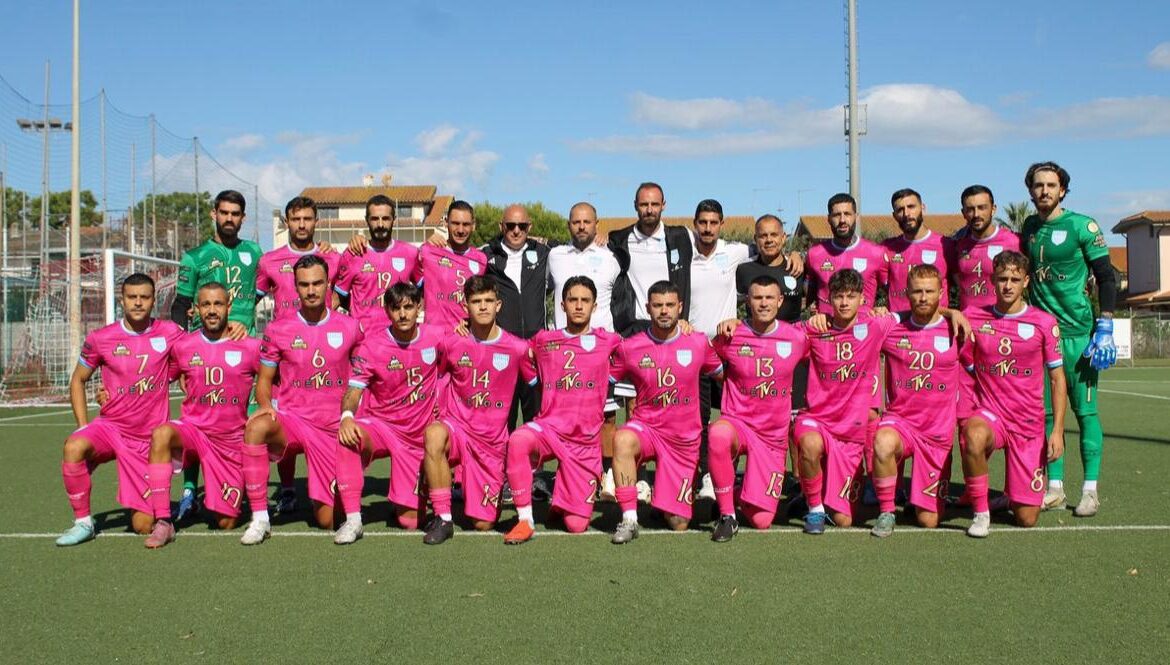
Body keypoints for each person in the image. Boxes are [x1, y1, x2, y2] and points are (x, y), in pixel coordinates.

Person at [238, 255, 363, 545]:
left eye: (317, 283)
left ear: (328, 284)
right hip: (293, 421)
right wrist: (265, 406)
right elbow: (264, 381)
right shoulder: (278, 329)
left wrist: (353, 415)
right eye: (304, 284)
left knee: (327, 520)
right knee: (256, 426)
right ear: (295, 286)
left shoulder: (350, 326)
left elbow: (361, 378)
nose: (311, 290)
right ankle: (260, 519)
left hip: (332, 426)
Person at [55, 273, 184, 546]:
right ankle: (83, 523)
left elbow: (197, 351)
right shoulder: (101, 338)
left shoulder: (170, 332)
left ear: (153, 300)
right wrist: (83, 426)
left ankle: (166, 506)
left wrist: (234, 327)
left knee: (142, 526)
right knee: (74, 446)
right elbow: (78, 380)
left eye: (144, 297)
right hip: (111, 428)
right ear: (122, 300)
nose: (138, 302)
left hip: (148, 440)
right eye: (131, 297)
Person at [1019, 162, 1117, 517]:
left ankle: (1090, 490)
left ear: (1062, 190)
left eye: (1051, 185)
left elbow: (1107, 277)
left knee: (1085, 412)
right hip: (1042, 338)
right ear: (1030, 191)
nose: (1044, 191)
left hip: (1078, 336)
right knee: (1047, 415)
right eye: (1038, 185)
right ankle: (1055, 488)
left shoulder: (1082, 226)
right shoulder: (1029, 228)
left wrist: (1105, 324)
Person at [142, 282, 261, 548]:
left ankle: (217, 495)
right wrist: (108, 392)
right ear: (196, 309)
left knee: (226, 522)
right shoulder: (184, 346)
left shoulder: (250, 346)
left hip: (229, 441)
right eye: (206, 304)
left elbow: (275, 377)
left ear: (229, 306)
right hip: (193, 431)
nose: (212, 310)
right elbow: (156, 379)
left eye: (218, 304)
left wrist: (265, 409)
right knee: (162, 433)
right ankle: (164, 521)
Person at [503, 276, 621, 544]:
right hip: (549, 428)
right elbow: (519, 353)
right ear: (562, 305)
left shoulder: (609, 341)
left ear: (594, 306)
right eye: (572, 300)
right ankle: (525, 520)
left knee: (576, 526)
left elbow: (640, 350)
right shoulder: (544, 340)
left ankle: (562, 500)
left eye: (585, 301)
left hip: (584, 442)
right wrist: (535, 382)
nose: (578, 306)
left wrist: (683, 326)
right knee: (518, 440)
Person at [169, 189, 263, 521]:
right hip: (204, 353)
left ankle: (244, 486)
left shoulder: (254, 252)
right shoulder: (195, 257)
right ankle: (189, 491)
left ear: (243, 218)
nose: (229, 218)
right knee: (198, 420)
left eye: (235, 214)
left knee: (246, 423)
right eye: (224, 212)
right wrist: (184, 354)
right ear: (214, 214)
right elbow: (180, 305)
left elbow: (270, 285)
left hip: (244, 354)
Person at [960, 250, 1066, 537]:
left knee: (1026, 518)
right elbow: (935, 315)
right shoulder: (973, 316)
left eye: (1015, 280)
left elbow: (1057, 379)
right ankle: (981, 513)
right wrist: (951, 312)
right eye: (1002, 278)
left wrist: (1057, 430)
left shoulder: (1044, 323)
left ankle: (1012, 496)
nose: (1008, 285)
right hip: (991, 414)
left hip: (1028, 423)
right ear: (992, 280)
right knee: (973, 434)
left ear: (1026, 282)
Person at [608, 281, 723, 544]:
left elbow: (725, 375)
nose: (664, 311)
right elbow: (604, 378)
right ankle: (629, 519)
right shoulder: (630, 347)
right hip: (646, 429)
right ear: (647, 308)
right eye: (658, 305)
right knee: (623, 439)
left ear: (680, 307)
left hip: (683, 439)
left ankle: (664, 497)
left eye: (670, 305)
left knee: (678, 523)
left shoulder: (698, 343)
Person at [420, 276, 530, 545]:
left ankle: (460, 487)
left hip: (490, 444)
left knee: (483, 524)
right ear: (465, 306)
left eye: (488, 301)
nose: (483, 307)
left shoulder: (517, 348)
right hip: (458, 430)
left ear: (498, 305)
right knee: (434, 434)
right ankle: (443, 517)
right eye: (476, 301)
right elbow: (437, 377)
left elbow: (537, 383)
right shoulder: (451, 343)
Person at [333, 283, 443, 544]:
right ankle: (353, 520)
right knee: (349, 436)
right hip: (383, 427)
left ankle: (405, 496)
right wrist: (347, 417)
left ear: (419, 307)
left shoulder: (437, 337)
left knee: (411, 522)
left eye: (408, 307)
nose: (402, 314)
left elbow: (460, 361)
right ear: (387, 311)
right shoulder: (372, 346)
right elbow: (353, 391)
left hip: (417, 436)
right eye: (396, 308)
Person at [791, 269, 897, 534]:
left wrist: (952, 313)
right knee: (810, 444)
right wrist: (738, 324)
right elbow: (776, 332)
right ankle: (815, 508)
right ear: (829, 299)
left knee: (844, 520)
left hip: (851, 432)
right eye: (838, 296)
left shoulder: (875, 325)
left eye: (851, 296)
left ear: (862, 299)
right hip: (817, 419)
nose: (844, 302)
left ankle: (821, 487)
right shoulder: (816, 328)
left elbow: (917, 314)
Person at [255, 196, 343, 515]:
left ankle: (336, 480)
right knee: (283, 419)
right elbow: (250, 301)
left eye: (307, 218)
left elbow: (345, 298)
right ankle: (289, 489)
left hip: (323, 354)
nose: (302, 224)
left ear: (316, 221)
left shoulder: (332, 258)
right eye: (296, 219)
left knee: (330, 418)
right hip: (284, 356)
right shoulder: (269, 261)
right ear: (287, 222)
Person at [708, 275, 808, 541]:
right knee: (718, 434)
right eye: (757, 298)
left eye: (769, 298)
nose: (764, 303)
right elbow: (705, 357)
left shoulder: (797, 338)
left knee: (762, 521)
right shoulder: (730, 335)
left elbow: (826, 350)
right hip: (738, 423)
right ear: (747, 302)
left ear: (780, 300)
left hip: (772, 437)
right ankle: (727, 515)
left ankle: (733, 492)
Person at [869, 264, 961, 537]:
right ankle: (887, 510)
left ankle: (919, 497)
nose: (923, 297)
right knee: (882, 441)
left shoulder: (957, 329)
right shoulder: (891, 326)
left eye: (929, 292)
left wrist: (953, 312)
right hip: (901, 423)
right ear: (906, 293)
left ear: (941, 294)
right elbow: (851, 322)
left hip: (937, 433)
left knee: (928, 521)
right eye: (917, 291)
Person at [547, 202, 623, 497]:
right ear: (569, 224)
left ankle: (606, 475)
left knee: (606, 415)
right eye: (576, 221)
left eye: (587, 222)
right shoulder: (554, 256)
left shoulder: (611, 258)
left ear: (596, 224)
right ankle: (568, 474)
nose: (581, 226)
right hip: (563, 352)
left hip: (600, 351)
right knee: (565, 417)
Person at [686, 199, 752, 504]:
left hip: (727, 351)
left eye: (714, 223)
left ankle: (727, 476)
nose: (708, 228)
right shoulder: (684, 253)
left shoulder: (735, 252)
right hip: (695, 353)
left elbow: (769, 250)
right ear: (695, 224)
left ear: (722, 225)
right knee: (698, 421)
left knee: (731, 418)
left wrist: (794, 255)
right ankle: (703, 477)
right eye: (703, 222)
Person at [482, 204, 551, 429]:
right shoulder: (485, 254)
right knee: (503, 422)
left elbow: (575, 246)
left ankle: (534, 455)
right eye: (511, 225)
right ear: (501, 226)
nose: (516, 231)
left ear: (529, 226)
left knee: (536, 422)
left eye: (522, 225)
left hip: (535, 353)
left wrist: (599, 239)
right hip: (502, 353)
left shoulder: (544, 252)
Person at [607, 182, 693, 337]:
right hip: (634, 331)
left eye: (655, 204)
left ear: (663, 205)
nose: (649, 210)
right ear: (635, 205)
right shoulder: (619, 240)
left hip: (672, 328)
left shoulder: (682, 237)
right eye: (644, 204)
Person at [333, 194, 419, 331]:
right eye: (374, 219)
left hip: (398, 338)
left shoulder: (410, 253)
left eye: (385, 218)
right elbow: (338, 296)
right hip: (364, 338)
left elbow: (427, 290)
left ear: (394, 219)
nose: (380, 224)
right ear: (366, 220)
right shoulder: (353, 254)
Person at [805, 193, 889, 315]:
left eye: (847, 214)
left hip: (863, 325)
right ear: (829, 218)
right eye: (836, 215)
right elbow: (808, 297)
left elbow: (893, 292)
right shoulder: (814, 254)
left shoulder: (876, 253)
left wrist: (882, 308)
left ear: (856, 217)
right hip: (827, 326)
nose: (842, 220)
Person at [414, 200, 488, 331]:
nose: (460, 230)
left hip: (466, 337)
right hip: (435, 336)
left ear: (473, 226)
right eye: (455, 223)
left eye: (466, 224)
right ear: (445, 223)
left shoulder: (481, 260)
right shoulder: (428, 251)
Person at [950, 185, 1020, 310]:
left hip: (1000, 319)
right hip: (967, 319)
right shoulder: (958, 244)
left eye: (982, 208)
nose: (976, 214)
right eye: (970, 209)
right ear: (963, 213)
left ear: (993, 209)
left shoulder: (1013, 241)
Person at [883, 189, 952, 312]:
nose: (906, 213)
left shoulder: (945, 245)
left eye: (911, 207)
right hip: (898, 322)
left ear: (923, 208)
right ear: (894, 216)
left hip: (935, 321)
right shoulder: (887, 248)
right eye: (900, 210)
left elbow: (963, 284)